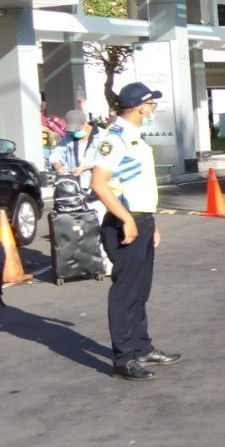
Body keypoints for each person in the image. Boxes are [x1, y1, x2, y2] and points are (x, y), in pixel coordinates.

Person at [90, 82, 182, 381]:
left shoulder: (134, 138)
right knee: (125, 292)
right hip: (123, 223)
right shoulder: (114, 139)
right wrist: (127, 220)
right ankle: (123, 357)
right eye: (151, 104)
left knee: (140, 290)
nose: (153, 108)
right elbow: (99, 183)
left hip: (140, 220)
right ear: (140, 106)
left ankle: (142, 347)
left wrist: (149, 224)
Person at [50, 109, 112, 274]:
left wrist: (86, 166)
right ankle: (82, 264)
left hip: (96, 189)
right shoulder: (68, 137)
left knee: (99, 225)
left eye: (78, 129)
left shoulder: (103, 137)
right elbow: (56, 154)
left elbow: (106, 159)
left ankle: (105, 262)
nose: (75, 133)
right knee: (79, 228)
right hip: (75, 191)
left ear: (85, 124)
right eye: (72, 130)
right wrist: (58, 166)